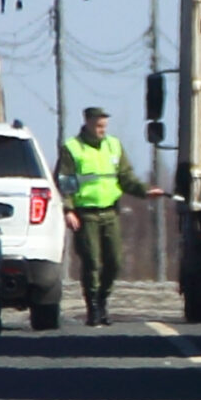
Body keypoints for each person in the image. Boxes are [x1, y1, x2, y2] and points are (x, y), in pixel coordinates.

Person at [63, 106, 163, 326]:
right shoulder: (73, 148)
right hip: (86, 213)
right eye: (98, 126)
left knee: (114, 261)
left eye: (104, 126)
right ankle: (94, 308)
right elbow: (65, 182)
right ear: (87, 122)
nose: (102, 130)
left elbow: (125, 178)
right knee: (92, 261)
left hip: (110, 212)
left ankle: (103, 299)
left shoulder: (113, 146)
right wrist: (68, 210)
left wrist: (144, 191)